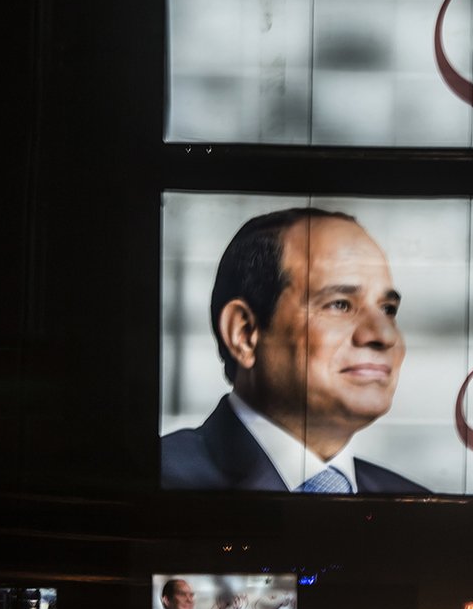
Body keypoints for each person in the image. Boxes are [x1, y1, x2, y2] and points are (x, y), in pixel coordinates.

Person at [161, 207, 428, 493]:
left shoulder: (418, 503)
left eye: (388, 309)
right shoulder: (160, 481)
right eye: (340, 304)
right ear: (244, 333)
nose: (385, 335)